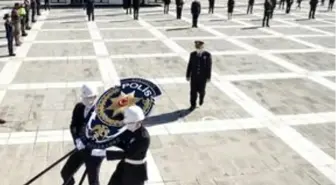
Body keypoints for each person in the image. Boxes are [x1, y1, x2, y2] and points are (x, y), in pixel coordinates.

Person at [91, 105, 150, 185]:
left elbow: (128, 154)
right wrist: (104, 142)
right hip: (124, 166)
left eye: (129, 123)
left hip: (135, 173)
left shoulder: (144, 138)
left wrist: (105, 153)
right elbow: (120, 142)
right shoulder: (130, 129)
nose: (126, 125)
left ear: (138, 122)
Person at [60, 84, 104, 185]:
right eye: (87, 98)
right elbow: (73, 126)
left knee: (93, 182)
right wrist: (77, 140)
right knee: (65, 172)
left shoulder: (101, 114)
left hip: (94, 152)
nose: (90, 101)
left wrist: (91, 145)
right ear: (82, 97)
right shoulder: (78, 107)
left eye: (93, 98)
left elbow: (104, 135)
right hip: (80, 147)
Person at [186, 41, 212, 111]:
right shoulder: (192, 54)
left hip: (202, 78)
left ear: (203, 48)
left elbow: (209, 67)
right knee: (193, 92)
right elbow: (190, 65)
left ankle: (201, 98)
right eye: (197, 48)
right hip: (194, 77)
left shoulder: (207, 55)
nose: (198, 50)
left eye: (200, 48)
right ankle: (192, 105)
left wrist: (208, 77)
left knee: (201, 91)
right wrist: (188, 75)